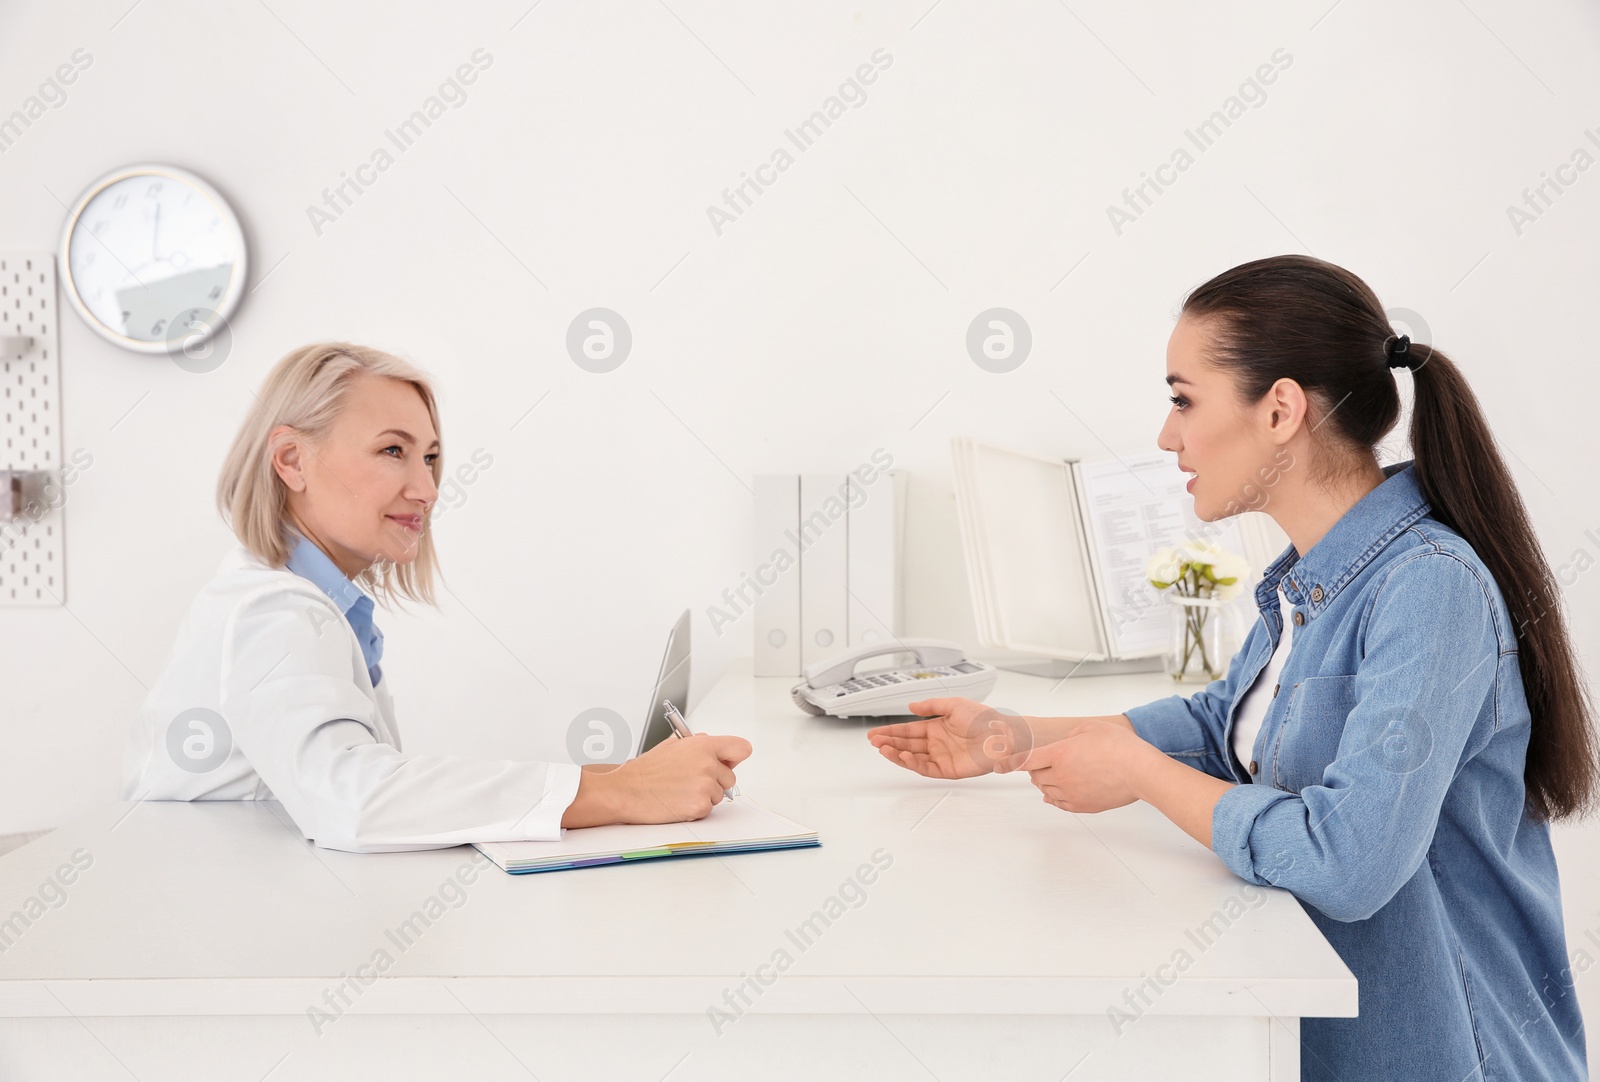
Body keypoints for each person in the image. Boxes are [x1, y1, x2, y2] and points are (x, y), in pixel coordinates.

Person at [869, 255, 1593, 1080]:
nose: (1166, 435)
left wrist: (1137, 770)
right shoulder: (1319, 574)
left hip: (1450, 1056)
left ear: (1280, 409)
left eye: (1183, 400)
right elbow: (1232, 725)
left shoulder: (1429, 588)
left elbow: (1350, 861)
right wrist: (1016, 737)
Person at [121, 342, 749, 853]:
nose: (426, 487)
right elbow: (354, 799)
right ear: (291, 460)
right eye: (393, 451)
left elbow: (363, 784)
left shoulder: (316, 606)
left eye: (431, 458)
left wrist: (623, 778)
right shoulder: (270, 613)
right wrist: (622, 795)